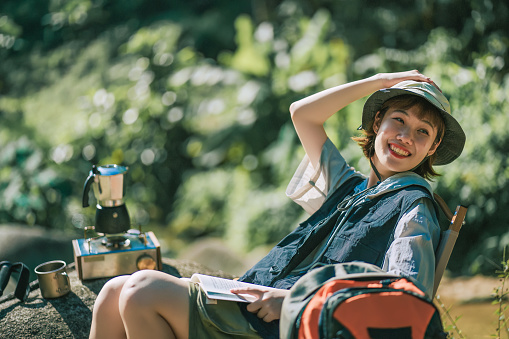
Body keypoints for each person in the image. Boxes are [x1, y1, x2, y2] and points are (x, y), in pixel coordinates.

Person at [89, 70, 465, 339]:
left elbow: (403, 291)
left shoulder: (414, 206)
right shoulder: (349, 184)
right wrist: (381, 81)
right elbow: (303, 114)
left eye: (422, 132)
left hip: (293, 322)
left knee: (140, 291)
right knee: (110, 295)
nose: (405, 137)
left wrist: (292, 300)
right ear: (378, 123)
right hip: (258, 302)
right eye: (397, 120)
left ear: (432, 148)